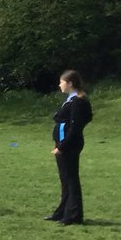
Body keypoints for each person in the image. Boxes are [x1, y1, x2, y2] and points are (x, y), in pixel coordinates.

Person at [47, 69, 92, 226]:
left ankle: (74, 215)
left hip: (69, 145)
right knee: (65, 180)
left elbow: (75, 126)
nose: (59, 85)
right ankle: (62, 212)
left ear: (70, 83)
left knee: (71, 180)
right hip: (63, 143)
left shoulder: (78, 101)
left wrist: (63, 146)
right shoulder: (71, 99)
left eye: (62, 82)